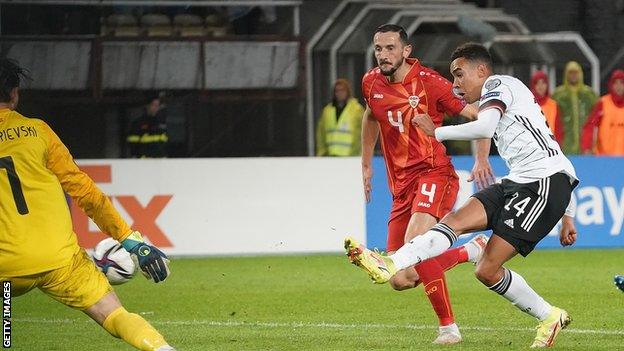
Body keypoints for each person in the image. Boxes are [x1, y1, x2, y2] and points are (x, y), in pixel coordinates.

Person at [346, 43, 579, 348]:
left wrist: (436, 132)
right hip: (519, 181)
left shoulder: (499, 84)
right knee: (453, 222)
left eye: (459, 74)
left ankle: (549, 315)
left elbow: (485, 127)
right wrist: (569, 216)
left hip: (542, 185)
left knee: (487, 270)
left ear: (481, 70)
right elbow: (557, 154)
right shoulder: (500, 98)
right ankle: (390, 264)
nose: (455, 84)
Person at [0, 58, 174, 351]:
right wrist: (131, 242)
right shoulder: (39, 132)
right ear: (15, 94)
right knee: (116, 316)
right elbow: (85, 192)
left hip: (5, 267)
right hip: (59, 261)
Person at [345, 24, 493, 344]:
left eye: (390, 48)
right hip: (401, 186)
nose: (383, 55)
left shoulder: (430, 83)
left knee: (416, 243)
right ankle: (471, 250)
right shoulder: (370, 81)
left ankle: (448, 328)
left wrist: (481, 158)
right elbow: (372, 117)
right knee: (401, 277)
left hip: (434, 173)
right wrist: (367, 164)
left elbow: (481, 115)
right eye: (379, 48)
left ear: (406, 51)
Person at [552, 61, 598, 154]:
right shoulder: (558, 95)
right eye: (570, 73)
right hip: (564, 145)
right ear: (566, 74)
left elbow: (595, 120)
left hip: (586, 146)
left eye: (575, 73)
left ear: (580, 74)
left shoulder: (589, 94)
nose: (573, 76)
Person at [316, 79, 365, 156]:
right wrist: (322, 153)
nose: (339, 93)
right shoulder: (327, 111)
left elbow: (365, 132)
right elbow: (321, 134)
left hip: (352, 156)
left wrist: (362, 153)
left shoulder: (357, 110)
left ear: (348, 92)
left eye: (342, 90)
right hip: (331, 156)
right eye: (337, 91)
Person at [580, 69, 624, 155]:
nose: (618, 86)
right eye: (615, 83)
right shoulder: (603, 103)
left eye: (622, 83)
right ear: (611, 85)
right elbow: (590, 126)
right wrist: (586, 147)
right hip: (604, 159)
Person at [127, 93, 168, 158]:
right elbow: (133, 143)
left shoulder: (162, 123)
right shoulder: (138, 123)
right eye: (153, 105)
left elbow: (165, 142)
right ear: (147, 106)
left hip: (160, 161)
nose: (156, 108)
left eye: (157, 105)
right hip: (144, 161)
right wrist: (136, 156)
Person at [530, 71, 563, 143]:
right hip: (532, 146)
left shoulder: (553, 105)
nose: (540, 86)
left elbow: (558, 129)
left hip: (550, 146)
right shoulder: (528, 104)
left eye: (543, 83)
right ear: (533, 85)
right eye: (537, 83)